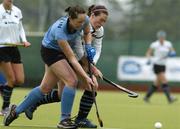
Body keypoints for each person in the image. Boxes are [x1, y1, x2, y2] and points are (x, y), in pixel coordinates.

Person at [3, 5, 96, 129]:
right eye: (78, 22)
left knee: (45, 88)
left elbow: (88, 32)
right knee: (72, 80)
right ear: (70, 18)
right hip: (50, 51)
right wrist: (86, 77)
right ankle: (64, 120)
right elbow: (73, 59)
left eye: (83, 21)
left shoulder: (85, 20)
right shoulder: (60, 31)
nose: (81, 24)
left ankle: (15, 111)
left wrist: (88, 45)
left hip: (64, 51)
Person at [23, 4, 108, 128]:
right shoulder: (82, 23)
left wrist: (93, 63)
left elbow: (98, 48)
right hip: (63, 56)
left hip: (78, 59)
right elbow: (78, 52)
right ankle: (32, 103)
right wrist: (92, 67)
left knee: (91, 85)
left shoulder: (99, 30)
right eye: (101, 20)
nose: (102, 24)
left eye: (104, 21)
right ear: (92, 15)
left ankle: (81, 119)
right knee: (55, 92)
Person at [0, 0, 31, 116]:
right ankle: (5, 108)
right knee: (11, 80)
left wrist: (24, 40)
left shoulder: (17, 11)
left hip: (14, 48)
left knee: (20, 80)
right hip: (1, 48)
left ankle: (3, 88)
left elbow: (20, 28)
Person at [144, 30, 177, 103]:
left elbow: (173, 51)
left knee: (156, 83)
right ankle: (170, 98)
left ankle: (146, 97)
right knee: (164, 81)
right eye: (160, 37)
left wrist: (172, 53)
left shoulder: (168, 44)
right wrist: (149, 59)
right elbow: (148, 53)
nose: (161, 38)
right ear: (158, 37)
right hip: (157, 64)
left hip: (163, 65)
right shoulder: (154, 44)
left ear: (164, 37)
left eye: (163, 37)